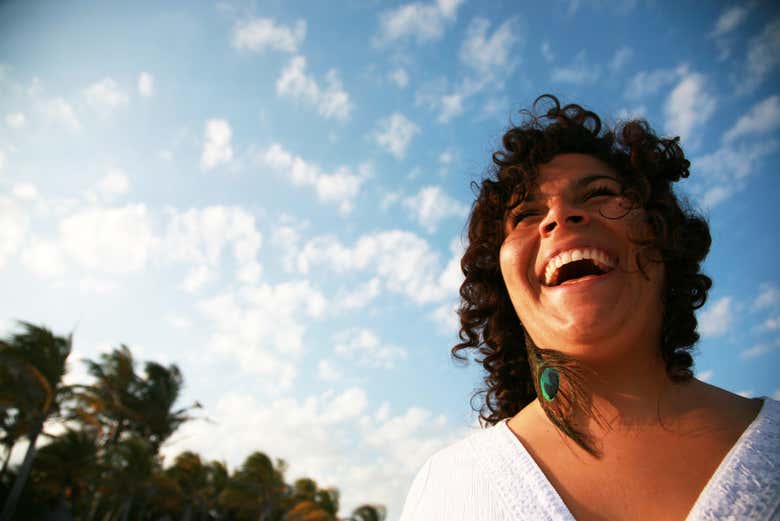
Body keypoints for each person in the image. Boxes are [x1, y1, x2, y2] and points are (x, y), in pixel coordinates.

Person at [398, 95, 779, 521]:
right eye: (525, 214)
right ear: (502, 283)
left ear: (664, 236)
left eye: (599, 193)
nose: (559, 216)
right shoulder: (447, 488)